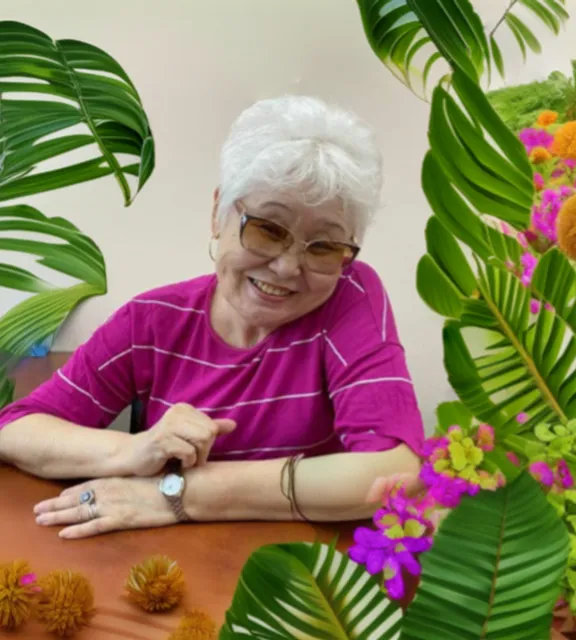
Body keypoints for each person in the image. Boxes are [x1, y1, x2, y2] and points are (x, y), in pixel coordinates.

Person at [0, 95, 423, 539]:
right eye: (268, 229)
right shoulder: (152, 321)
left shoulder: (349, 295)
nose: (286, 267)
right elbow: (16, 429)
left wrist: (181, 495)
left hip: (299, 577)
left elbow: (396, 471)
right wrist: (134, 450)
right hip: (170, 571)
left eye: (323, 247)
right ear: (218, 213)